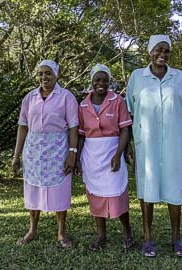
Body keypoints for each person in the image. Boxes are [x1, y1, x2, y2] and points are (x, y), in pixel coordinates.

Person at [126, 35, 182, 258]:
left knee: (175, 189)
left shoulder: (179, 77)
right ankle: (148, 239)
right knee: (147, 188)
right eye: (159, 50)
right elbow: (128, 113)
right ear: (149, 52)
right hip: (145, 145)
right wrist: (128, 145)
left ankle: (176, 239)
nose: (163, 55)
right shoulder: (137, 77)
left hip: (174, 144)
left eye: (167, 51)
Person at [12, 60, 78, 248]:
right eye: (40, 73)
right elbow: (22, 127)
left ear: (56, 74)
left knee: (60, 190)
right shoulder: (30, 98)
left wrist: (72, 153)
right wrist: (16, 155)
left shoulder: (66, 97)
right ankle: (32, 230)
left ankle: (61, 233)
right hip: (33, 150)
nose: (44, 77)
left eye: (48, 73)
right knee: (33, 189)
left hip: (58, 149)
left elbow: (73, 127)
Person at [76, 64, 135, 252]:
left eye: (105, 80)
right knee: (96, 196)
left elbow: (125, 129)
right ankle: (101, 234)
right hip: (91, 155)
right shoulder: (83, 105)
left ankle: (128, 232)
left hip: (112, 150)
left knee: (118, 194)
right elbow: (81, 134)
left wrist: (119, 154)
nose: (101, 83)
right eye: (97, 79)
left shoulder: (118, 101)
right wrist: (77, 158)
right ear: (92, 81)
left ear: (109, 82)